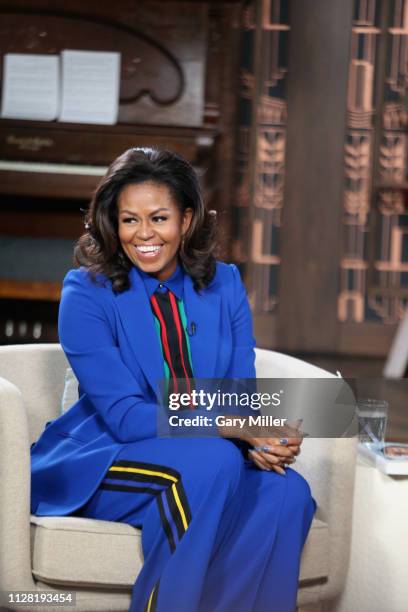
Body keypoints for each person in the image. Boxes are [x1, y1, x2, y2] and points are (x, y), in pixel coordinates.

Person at [30, 147, 316, 612]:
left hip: (211, 451)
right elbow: (125, 417)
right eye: (128, 220)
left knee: (288, 491)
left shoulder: (224, 284)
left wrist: (261, 440)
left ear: (186, 220)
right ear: (111, 223)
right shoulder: (85, 292)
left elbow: (239, 397)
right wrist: (231, 428)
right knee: (214, 464)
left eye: (159, 218)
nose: (143, 234)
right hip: (106, 457)